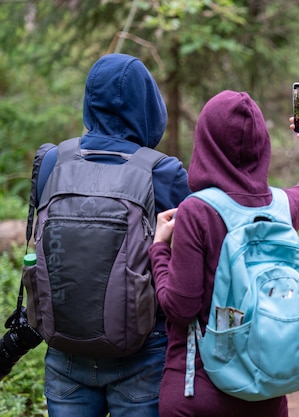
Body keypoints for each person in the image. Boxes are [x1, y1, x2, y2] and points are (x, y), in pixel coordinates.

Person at [149, 90, 299, 416]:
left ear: (204, 144)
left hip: (199, 393)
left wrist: (159, 249)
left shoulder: (197, 211)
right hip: (266, 391)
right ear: (262, 145)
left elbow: (179, 306)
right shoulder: (281, 208)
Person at [34, 53, 191, 417]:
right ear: (149, 105)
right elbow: (188, 257)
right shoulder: (163, 171)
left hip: (64, 348)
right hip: (142, 352)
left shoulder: (53, 161)